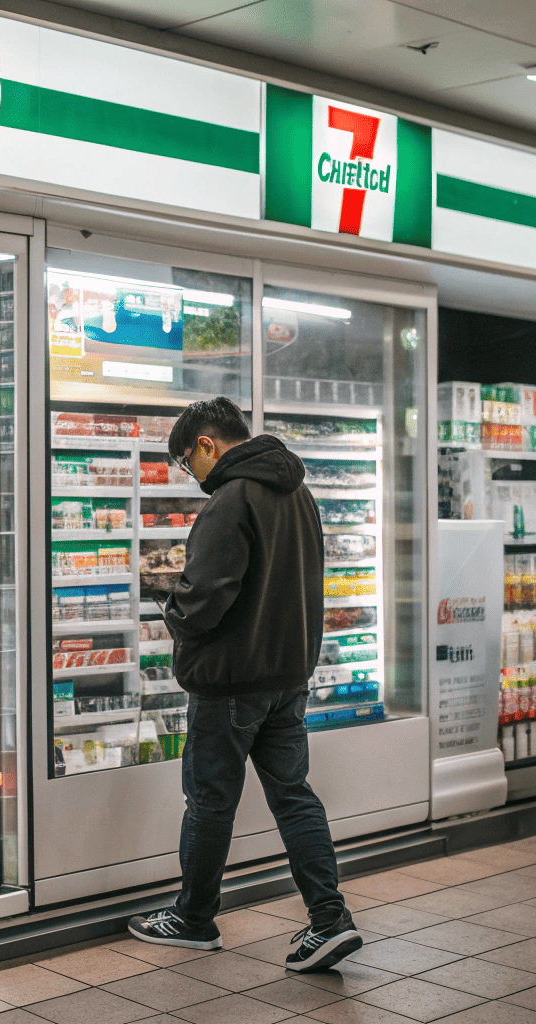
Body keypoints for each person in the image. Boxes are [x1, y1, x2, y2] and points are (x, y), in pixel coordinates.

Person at [126, 396, 361, 973]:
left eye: (188, 461)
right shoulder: (297, 493)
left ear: (207, 445)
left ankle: (194, 918)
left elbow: (206, 597)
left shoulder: (230, 501)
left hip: (231, 680)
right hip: (287, 676)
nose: (192, 474)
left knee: (209, 801)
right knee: (294, 796)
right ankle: (330, 920)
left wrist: (171, 609)